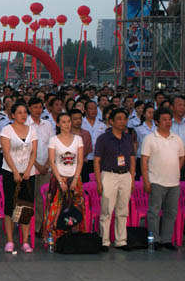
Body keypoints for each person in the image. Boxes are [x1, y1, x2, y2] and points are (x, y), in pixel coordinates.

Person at [141, 107, 185, 251]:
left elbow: (182, 156)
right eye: (164, 119)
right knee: (154, 212)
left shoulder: (176, 138)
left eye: (169, 119)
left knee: (171, 212)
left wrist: (176, 169)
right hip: (156, 181)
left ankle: (166, 240)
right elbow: (144, 160)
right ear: (156, 122)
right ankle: (154, 240)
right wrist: (146, 181)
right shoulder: (150, 138)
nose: (168, 122)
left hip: (174, 183)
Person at [93, 108, 135, 251]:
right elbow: (97, 161)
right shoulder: (103, 139)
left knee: (123, 210)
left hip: (125, 175)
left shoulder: (128, 138)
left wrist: (132, 178)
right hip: (109, 174)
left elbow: (132, 159)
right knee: (106, 210)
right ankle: (104, 241)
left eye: (124, 119)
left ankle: (121, 240)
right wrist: (99, 182)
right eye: (119, 119)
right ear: (111, 121)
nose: (122, 122)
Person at [0, 103, 37, 253]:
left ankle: (25, 241)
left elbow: (33, 152)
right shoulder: (7, 130)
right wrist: (15, 171)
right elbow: (6, 152)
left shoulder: (32, 130)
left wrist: (27, 170)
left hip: (28, 173)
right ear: (13, 115)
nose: (23, 115)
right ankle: (10, 240)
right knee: (10, 206)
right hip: (10, 172)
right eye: (19, 112)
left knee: (26, 207)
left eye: (24, 112)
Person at [43, 113, 85, 244]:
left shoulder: (78, 139)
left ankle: (74, 239)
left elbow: (80, 160)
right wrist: (61, 181)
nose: (67, 124)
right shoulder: (53, 140)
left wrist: (75, 179)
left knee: (75, 209)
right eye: (64, 122)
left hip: (75, 179)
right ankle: (55, 239)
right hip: (58, 179)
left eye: (68, 121)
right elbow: (52, 162)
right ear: (58, 124)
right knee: (56, 209)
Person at [26, 97, 54, 234]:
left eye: (40, 107)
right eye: (35, 107)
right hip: (30, 167)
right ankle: (28, 227)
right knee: (29, 198)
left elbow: (52, 145)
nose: (38, 110)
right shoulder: (25, 124)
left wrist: (47, 164)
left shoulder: (47, 124)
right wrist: (37, 165)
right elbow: (26, 149)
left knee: (43, 198)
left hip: (46, 167)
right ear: (29, 108)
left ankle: (41, 226)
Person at [69, 109, 93, 183]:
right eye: (75, 119)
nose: (78, 121)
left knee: (84, 187)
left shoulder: (86, 134)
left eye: (80, 118)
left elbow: (88, 150)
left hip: (83, 165)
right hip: (69, 166)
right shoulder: (66, 134)